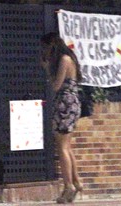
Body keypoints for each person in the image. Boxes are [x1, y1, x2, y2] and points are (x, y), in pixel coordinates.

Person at [40, 32, 83, 204]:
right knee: (66, 146)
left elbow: (56, 85)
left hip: (65, 104)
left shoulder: (64, 60)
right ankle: (76, 181)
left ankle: (68, 185)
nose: (45, 50)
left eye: (46, 47)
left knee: (62, 147)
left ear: (52, 45)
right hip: (69, 103)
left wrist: (46, 69)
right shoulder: (68, 58)